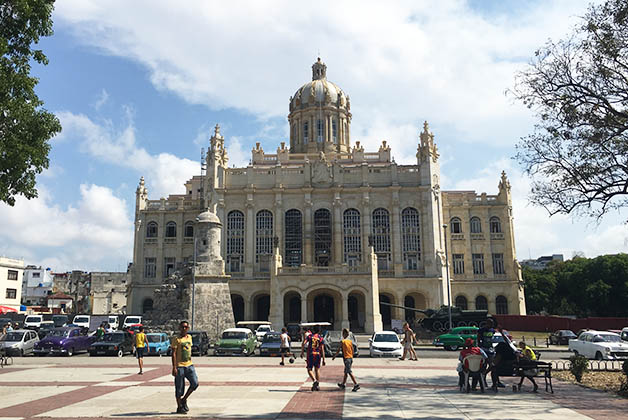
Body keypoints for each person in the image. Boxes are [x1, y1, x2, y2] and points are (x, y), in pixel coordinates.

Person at [171, 320, 199, 414]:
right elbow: (173, 354)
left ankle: (184, 399)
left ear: (188, 328)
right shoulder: (176, 339)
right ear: (179, 328)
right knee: (179, 388)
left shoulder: (190, 337)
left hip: (189, 365)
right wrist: (174, 367)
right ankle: (179, 407)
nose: (184, 329)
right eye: (182, 327)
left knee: (195, 383)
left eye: (185, 327)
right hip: (179, 366)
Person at [300, 325, 325, 391]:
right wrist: (324, 359)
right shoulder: (320, 338)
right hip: (318, 354)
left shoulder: (310, 336)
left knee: (309, 369)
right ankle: (317, 385)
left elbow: (303, 343)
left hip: (311, 354)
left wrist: (302, 352)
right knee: (317, 369)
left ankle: (314, 381)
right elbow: (322, 349)